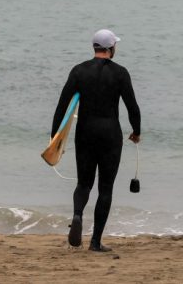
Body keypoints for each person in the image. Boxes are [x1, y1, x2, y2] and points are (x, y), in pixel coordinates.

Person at [52, 28, 141, 252]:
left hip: (86, 133)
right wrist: (136, 131)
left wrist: (54, 137)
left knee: (84, 183)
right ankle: (95, 242)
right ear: (111, 48)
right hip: (110, 134)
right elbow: (132, 107)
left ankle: (77, 215)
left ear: (94, 48)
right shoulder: (121, 73)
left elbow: (62, 105)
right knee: (106, 188)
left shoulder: (79, 71)